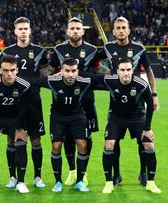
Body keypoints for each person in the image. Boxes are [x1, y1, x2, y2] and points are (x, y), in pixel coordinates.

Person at [0, 16, 51, 188]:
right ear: (15, 31)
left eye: (26, 28)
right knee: (11, 140)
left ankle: (37, 177)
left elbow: (47, 70)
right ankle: (12, 177)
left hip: (33, 101)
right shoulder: (7, 52)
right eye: (20, 29)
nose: (23, 31)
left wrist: (55, 77)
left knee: (36, 139)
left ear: (30, 30)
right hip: (12, 103)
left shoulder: (39, 51)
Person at [102, 16, 159, 186]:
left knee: (143, 140)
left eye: (123, 27)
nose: (121, 30)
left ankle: (143, 173)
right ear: (113, 31)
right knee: (114, 140)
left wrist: (154, 94)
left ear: (129, 30)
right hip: (116, 100)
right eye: (118, 28)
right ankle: (117, 174)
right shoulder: (107, 47)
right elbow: (94, 63)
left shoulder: (138, 48)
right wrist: (105, 71)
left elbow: (148, 71)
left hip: (138, 100)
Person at [49, 17, 100, 186]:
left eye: (78, 28)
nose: (75, 31)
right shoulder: (59, 50)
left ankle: (81, 172)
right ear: (67, 31)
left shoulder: (92, 49)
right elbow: (50, 72)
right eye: (72, 28)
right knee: (68, 137)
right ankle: (72, 171)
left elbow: (99, 69)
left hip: (86, 100)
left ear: (83, 31)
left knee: (87, 137)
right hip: (64, 100)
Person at [100, 57, 161, 194]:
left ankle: (150, 181)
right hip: (116, 117)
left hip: (137, 117)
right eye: (122, 70)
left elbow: (150, 105)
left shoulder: (141, 84)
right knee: (109, 145)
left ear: (133, 70)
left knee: (148, 145)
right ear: (117, 71)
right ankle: (110, 181)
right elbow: (91, 79)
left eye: (128, 69)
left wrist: (147, 129)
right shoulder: (110, 80)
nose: (126, 73)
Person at [34, 58, 92, 192]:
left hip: (77, 117)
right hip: (57, 118)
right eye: (67, 71)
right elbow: (34, 81)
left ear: (78, 71)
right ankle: (58, 182)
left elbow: (102, 81)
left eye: (73, 71)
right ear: (61, 71)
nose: (70, 74)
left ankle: (79, 181)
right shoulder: (52, 81)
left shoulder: (85, 82)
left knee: (83, 145)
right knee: (56, 146)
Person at [0, 54, 31, 194]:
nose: (9, 74)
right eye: (6, 70)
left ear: (17, 70)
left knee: (20, 143)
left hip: (16, 118)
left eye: (12, 70)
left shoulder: (25, 86)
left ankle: (20, 181)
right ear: (0, 70)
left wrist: (20, 128)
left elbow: (23, 109)